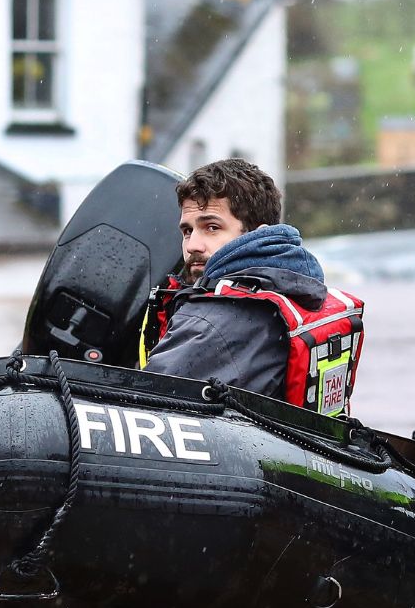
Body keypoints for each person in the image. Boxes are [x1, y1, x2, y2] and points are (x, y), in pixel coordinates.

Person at [141, 158, 364, 417]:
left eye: (212, 227)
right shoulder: (295, 287)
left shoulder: (212, 321)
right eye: (188, 231)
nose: (193, 245)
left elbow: (144, 406)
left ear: (256, 234)